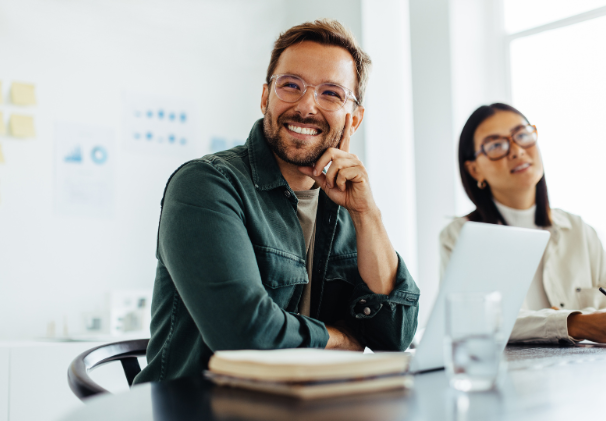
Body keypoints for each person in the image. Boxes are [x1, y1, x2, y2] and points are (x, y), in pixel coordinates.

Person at [134, 19, 420, 384]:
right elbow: (244, 334)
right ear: (266, 96)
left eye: (330, 93)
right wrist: (343, 339)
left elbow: (395, 335)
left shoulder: (347, 204)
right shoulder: (205, 185)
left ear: (355, 118)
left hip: (308, 405)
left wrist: (367, 214)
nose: (306, 106)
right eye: (291, 86)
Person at [440, 103, 606, 344]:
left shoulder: (577, 229)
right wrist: (574, 324)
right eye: (496, 145)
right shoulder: (458, 236)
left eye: (522, 135)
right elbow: (474, 321)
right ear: (474, 170)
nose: (517, 150)